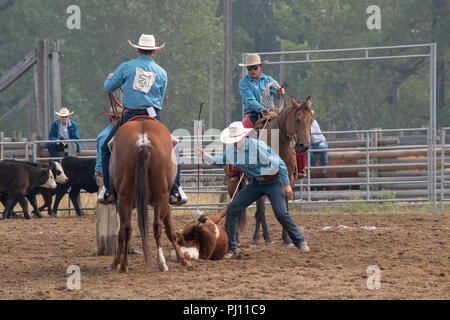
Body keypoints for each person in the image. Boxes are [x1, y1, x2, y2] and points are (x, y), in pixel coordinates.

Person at [198, 121, 310, 258]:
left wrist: (286, 184)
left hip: (272, 182)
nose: (234, 142)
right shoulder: (231, 150)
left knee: (281, 213)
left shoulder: (257, 146)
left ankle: (300, 241)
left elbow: (279, 163)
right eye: (232, 140)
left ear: (243, 137)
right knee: (233, 209)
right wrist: (205, 156)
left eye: (236, 139)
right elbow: (220, 161)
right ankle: (232, 248)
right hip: (255, 183)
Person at [100, 33, 187, 206]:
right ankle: (176, 188)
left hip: (130, 115)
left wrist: (111, 79)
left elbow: (108, 87)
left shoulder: (126, 67)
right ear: (154, 51)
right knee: (173, 146)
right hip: (153, 115)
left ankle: (108, 189)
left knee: (105, 148)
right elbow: (160, 100)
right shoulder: (162, 72)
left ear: (138, 49)